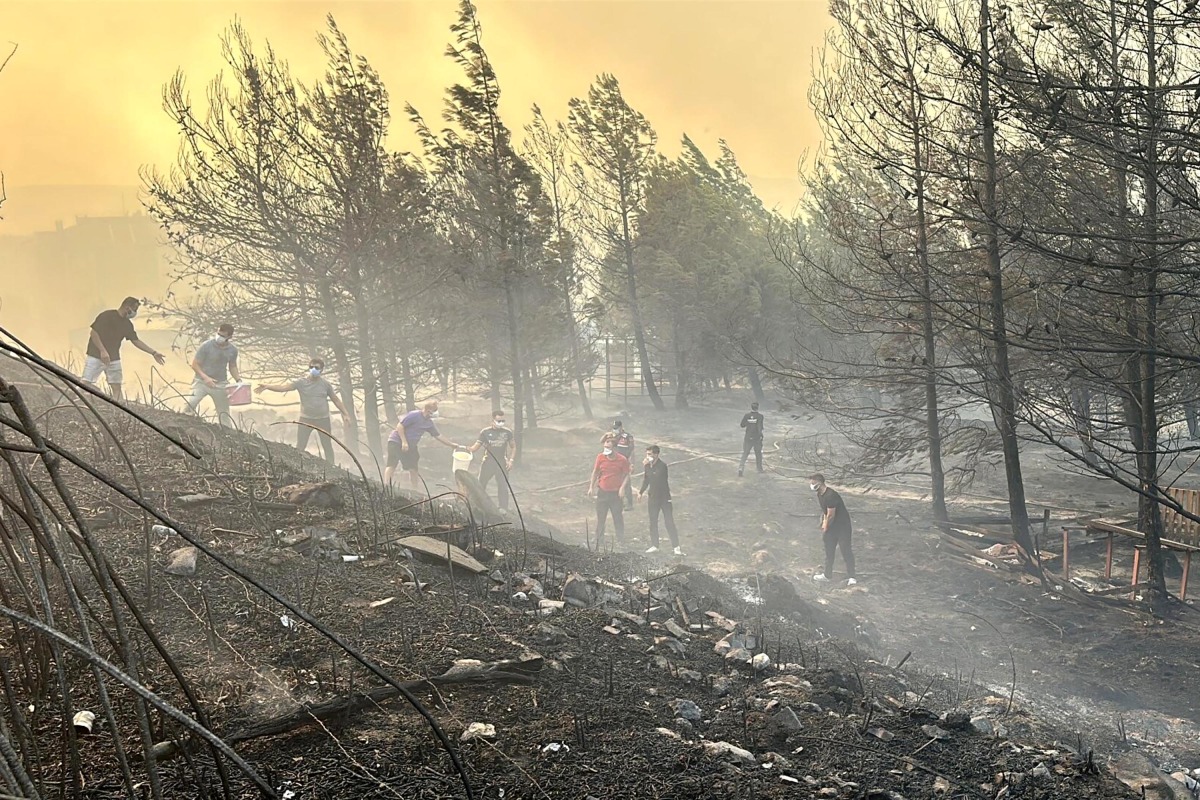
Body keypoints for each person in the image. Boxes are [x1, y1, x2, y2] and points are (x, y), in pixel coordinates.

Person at [254, 358, 350, 465]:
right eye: (311, 367)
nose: (313, 369)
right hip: (306, 419)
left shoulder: (326, 385)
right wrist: (268, 386)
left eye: (316, 368)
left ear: (321, 370)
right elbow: (284, 387)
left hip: (323, 419)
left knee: (327, 445)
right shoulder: (301, 383)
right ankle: (297, 465)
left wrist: (345, 414)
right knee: (301, 445)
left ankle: (332, 467)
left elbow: (335, 399)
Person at [81, 297, 166, 400]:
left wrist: (153, 352)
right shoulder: (106, 316)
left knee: (116, 386)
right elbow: (94, 333)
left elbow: (136, 341)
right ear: (127, 307)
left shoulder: (127, 325)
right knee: (85, 382)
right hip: (95, 355)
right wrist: (102, 351)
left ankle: (117, 409)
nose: (134, 313)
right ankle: (79, 402)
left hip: (114, 358)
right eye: (134, 309)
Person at [385, 400, 463, 489]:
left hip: (412, 445)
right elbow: (400, 426)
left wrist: (451, 444)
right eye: (434, 410)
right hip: (396, 441)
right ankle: (386, 486)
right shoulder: (414, 415)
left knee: (413, 467)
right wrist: (404, 442)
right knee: (392, 464)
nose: (435, 413)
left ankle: (415, 489)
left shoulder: (428, 423)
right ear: (428, 410)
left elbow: (438, 435)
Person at [188, 323, 240, 427]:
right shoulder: (206, 346)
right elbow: (195, 364)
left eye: (223, 336)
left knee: (224, 413)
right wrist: (206, 378)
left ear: (229, 337)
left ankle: (228, 435)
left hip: (220, 383)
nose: (219, 337)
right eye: (218, 334)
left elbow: (232, 366)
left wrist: (238, 380)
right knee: (190, 404)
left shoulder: (233, 350)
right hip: (201, 381)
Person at [635, 444, 684, 556]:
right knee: (653, 522)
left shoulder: (662, 466)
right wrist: (641, 492)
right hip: (653, 498)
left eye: (650, 454)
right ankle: (655, 545)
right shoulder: (648, 466)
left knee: (669, 522)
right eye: (647, 454)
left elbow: (656, 477)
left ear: (656, 454)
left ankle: (676, 547)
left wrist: (649, 466)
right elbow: (647, 479)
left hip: (664, 498)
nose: (648, 456)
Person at [810, 473, 856, 586]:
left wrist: (826, 527)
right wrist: (823, 522)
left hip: (842, 527)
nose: (811, 485)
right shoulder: (819, 494)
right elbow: (825, 512)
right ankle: (827, 575)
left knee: (846, 550)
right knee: (829, 551)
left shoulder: (831, 495)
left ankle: (852, 577)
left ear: (819, 482)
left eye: (813, 482)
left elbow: (831, 515)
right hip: (832, 527)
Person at [587, 433, 631, 549]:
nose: (606, 449)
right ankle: (599, 538)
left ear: (615, 448)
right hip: (603, 492)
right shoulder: (600, 457)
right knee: (601, 517)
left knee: (617, 517)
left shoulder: (622, 460)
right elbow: (595, 472)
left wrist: (622, 488)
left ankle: (620, 540)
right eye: (605, 447)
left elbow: (627, 474)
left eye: (609, 447)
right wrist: (591, 487)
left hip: (616, 494)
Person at [470, 410, 516, 509]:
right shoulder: (485, 432)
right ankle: (478, 505)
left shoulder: (507, 432)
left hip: (501, 462)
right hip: (488, 461)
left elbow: (513, 447)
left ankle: (503, 508)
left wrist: (511, 460)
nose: (501, 423)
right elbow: (475, 447)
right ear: (493, 420)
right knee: (481, 484)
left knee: (503, 486)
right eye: (498, 421)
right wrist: (463, 448)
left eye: (503, 420)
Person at [612, 419, 636, 509]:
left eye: (617, 428)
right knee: (616, 482)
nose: (615, 430)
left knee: (626, 484)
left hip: (625, 463)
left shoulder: (628, 437)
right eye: (614, 428)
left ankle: (630, 504)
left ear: (621, 427)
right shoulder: (614, 437)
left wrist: (632, 464)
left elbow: (632, 451)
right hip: (615, 463)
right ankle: (619, 503)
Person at [738, 401, 765, 477]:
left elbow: (742, 425)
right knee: (758, 454)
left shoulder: (747, 415)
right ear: (758, 408)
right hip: (756, 438)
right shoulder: (760, 416)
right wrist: (761, 435)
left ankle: (741, 468)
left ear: (751, 407)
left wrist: (749, 423)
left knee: (745, 453)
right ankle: (759, 469)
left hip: (748, 437)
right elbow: (759, 426)